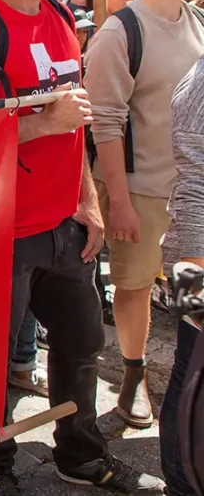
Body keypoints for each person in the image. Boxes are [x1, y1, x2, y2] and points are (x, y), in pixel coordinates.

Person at [0, 0, 164, 491]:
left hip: (65, 228)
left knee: (82, 348)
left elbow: (74, 123)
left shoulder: (61, 17)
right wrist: (38, 122)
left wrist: (88, 200)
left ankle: (79, 456)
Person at [85, 0, 204, 430]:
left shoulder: (198, 20)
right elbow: (106, 121)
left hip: (191, 193)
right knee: (133, 289)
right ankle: (133, 379)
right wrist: (122, 202)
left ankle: (189, 381)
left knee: (191, 292)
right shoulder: (120, 31)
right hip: (141, 190)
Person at [160, 51, 204, 496]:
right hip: (195, 261)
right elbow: (193, 188)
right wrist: (195, 290)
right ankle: (181, 483)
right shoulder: (201, 83)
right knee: (191, 374)